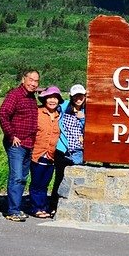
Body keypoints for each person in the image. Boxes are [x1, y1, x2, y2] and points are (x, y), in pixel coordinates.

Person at [0, 69, 40, 221]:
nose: (33, 83)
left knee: (22, 177)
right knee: (16, 176)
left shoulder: (31, 98)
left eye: (36, 81)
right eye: (31, 80)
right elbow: (3, 113)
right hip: (16, 144)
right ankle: (12, 211)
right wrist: (11, 135)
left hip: (29, 143)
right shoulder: (15, 95)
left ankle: (16, 207)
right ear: (24, 79)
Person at [48, 83, 87, 217]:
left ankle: (73, 208)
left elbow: (88, 130)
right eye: (75, 96)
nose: (78, 99)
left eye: (81, 96)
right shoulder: (64, 108)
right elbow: (53, 108)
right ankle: (53, 206)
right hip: (63, 149)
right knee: (59, 178)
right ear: (71, 96)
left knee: (77, 180)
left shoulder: (88, 111)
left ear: (85, 96)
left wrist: (82, 119)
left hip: (79, 152)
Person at [28, 86, 64, 219]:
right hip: (37, 153)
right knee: (36, 182)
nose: (52, 101)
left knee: (45, 183)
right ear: (44, 99)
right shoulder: (37, 112)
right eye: (49, 98)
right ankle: (36, 207)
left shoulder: (60, 115)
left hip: (52, 155)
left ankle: (43, 206)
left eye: (55, 98)